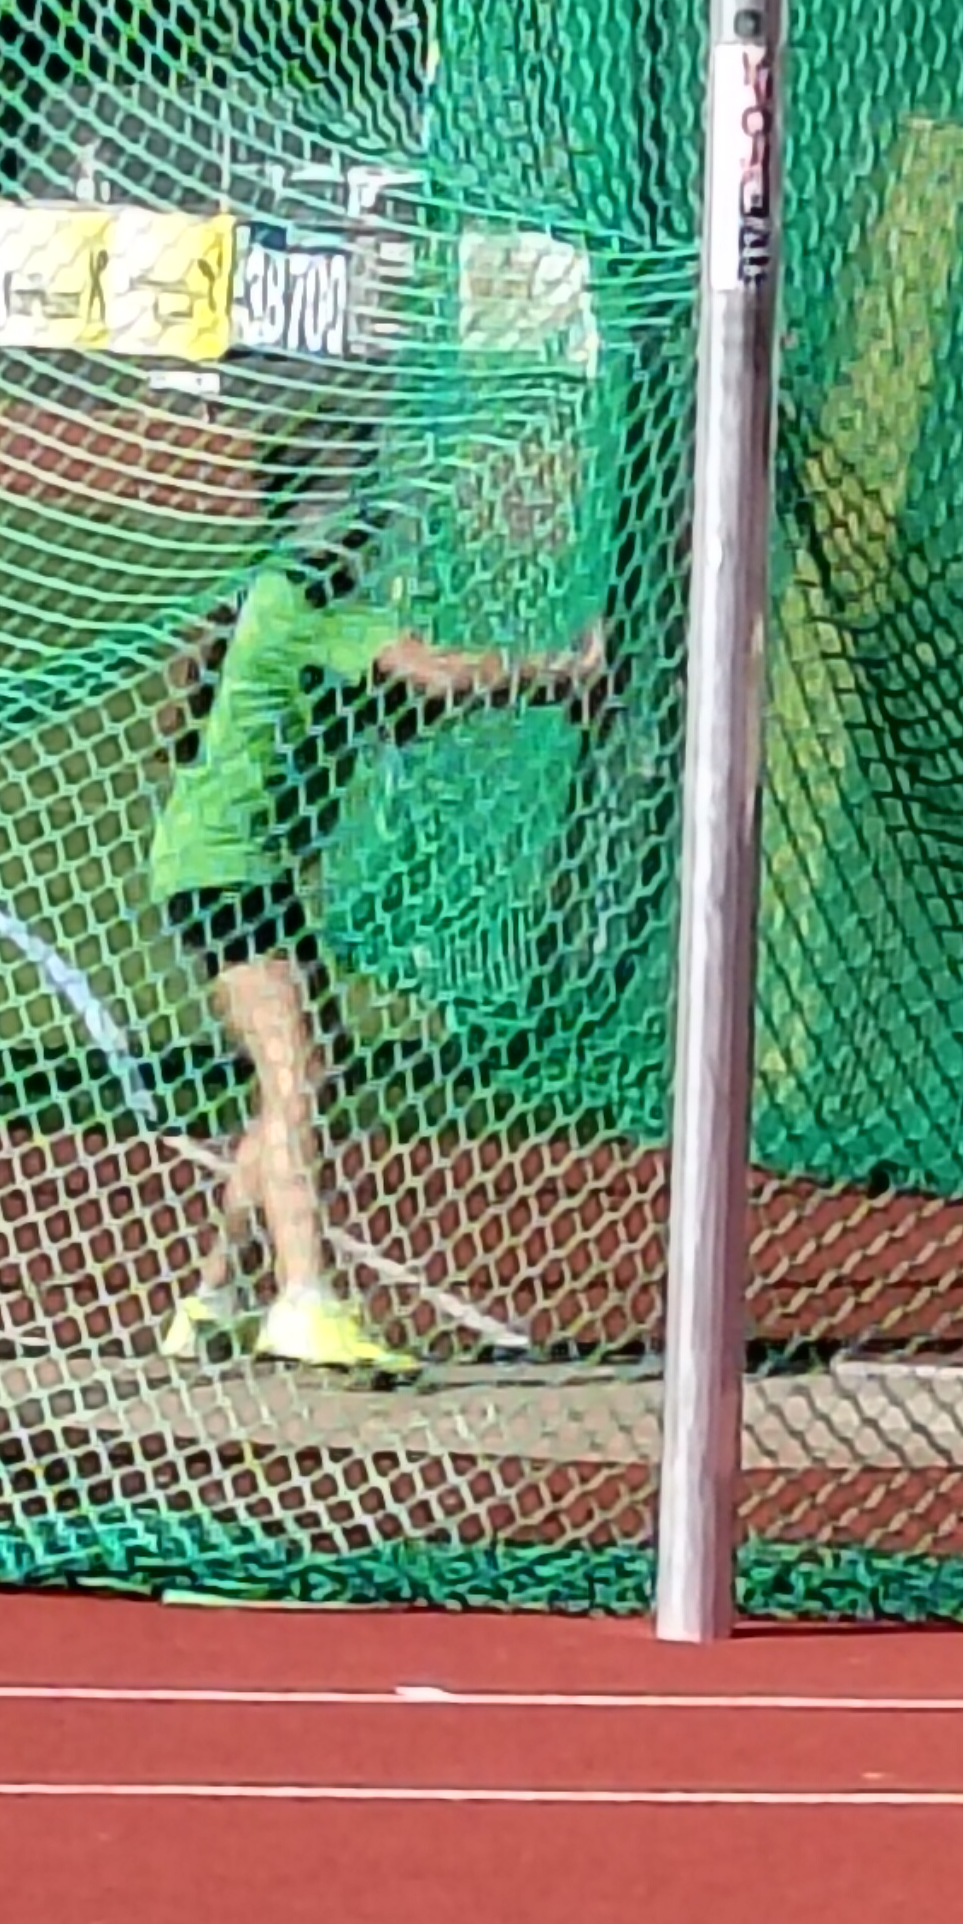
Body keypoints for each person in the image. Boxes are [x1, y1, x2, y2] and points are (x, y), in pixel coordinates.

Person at [150, 512, 603, 1378]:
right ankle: (304, 1299)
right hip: (223, 870)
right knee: (295, 1077)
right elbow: (433, 674)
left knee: (301, 1077)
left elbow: (409, 705)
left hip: (247, 872)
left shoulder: (300, 613)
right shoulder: (301, 601)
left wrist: (540, 690)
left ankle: (214, 1298)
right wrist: (562, 669)